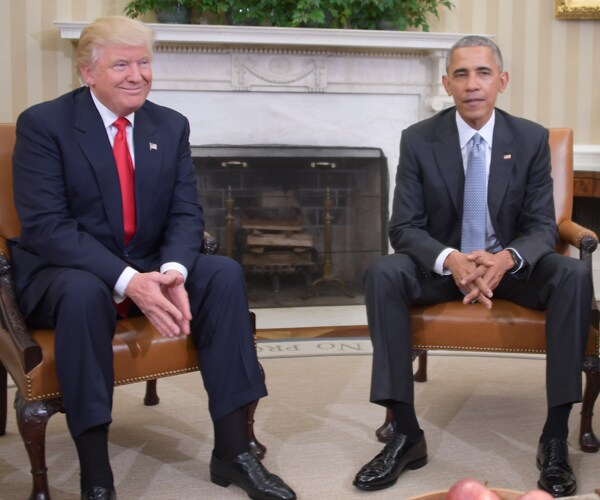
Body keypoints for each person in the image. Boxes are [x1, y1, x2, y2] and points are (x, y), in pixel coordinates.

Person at [10, 16, 296, 500]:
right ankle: (96, 476)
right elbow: (47, 227)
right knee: (83, 294)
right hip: (66, 272)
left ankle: (234, 451)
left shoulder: (169, 124)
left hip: (148, 263)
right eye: (121, 64)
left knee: (223, 274)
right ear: (87, 72)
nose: (136, 75)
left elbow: (186, 211)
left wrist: (173, 271)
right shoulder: (44, 125)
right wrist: (127, 279)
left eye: (143, 62)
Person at [352, 35, 592, 498]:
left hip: (514, 269)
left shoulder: (530, 138)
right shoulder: (419, 140)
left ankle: (556, 436)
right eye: (460, 74)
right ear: (446, 83)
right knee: (384, 272)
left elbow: (543, 226)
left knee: (574, 274)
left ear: (501, 81)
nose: (472, 84)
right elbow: (403, 227)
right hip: (445, 272)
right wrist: (452, 260)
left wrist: (504, 259)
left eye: (483, 73)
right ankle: (405, 434)